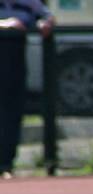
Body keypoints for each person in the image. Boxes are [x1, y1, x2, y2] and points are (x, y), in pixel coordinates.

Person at [0, 0, 53, 179]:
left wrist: (45, 22)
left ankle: (6, 164)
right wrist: (4, 24)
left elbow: (46, 15)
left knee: (11, 113)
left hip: (14, 61)